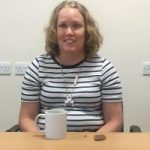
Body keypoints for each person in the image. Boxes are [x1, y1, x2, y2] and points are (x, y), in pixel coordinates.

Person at [19, 0, 123, 132]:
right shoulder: (38, 67)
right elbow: (26, 118)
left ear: (87, 31)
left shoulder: (105, 69)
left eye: (76, 25)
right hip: (47, 143)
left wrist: (93, 143)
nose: (69, 32)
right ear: (54, 31)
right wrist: (41, 143)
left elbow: (115, 121)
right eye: (62, 25)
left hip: (93, 143)